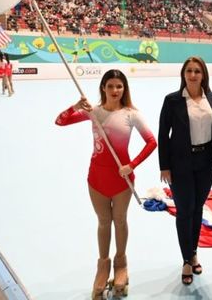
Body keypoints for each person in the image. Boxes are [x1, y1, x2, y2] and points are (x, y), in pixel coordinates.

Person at [55, 69, 157, 299]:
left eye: (119, 86)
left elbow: (152, 142)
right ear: (103, 88)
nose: (114, 91)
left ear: (124, 89)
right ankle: (103, 267)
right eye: (110, 86)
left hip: (122, 179)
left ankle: (121, 264)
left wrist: (132, 165)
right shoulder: (95, 113)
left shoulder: (132, 114)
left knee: (119, 221)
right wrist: (76, 106)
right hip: (97, 178)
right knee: (103, 223)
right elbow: (60, 121)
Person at [158, 56, 212, 285]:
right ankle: (186, 260)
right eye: (189, 70)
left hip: (206, 161)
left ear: (204, 74)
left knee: (197, 209)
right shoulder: (173, 101)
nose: (193, 75)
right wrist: (164, 166)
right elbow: (163, 135)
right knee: (184, 211)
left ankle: (193, 251)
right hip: (180, 163)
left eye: (197, 71)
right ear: (183, 74)